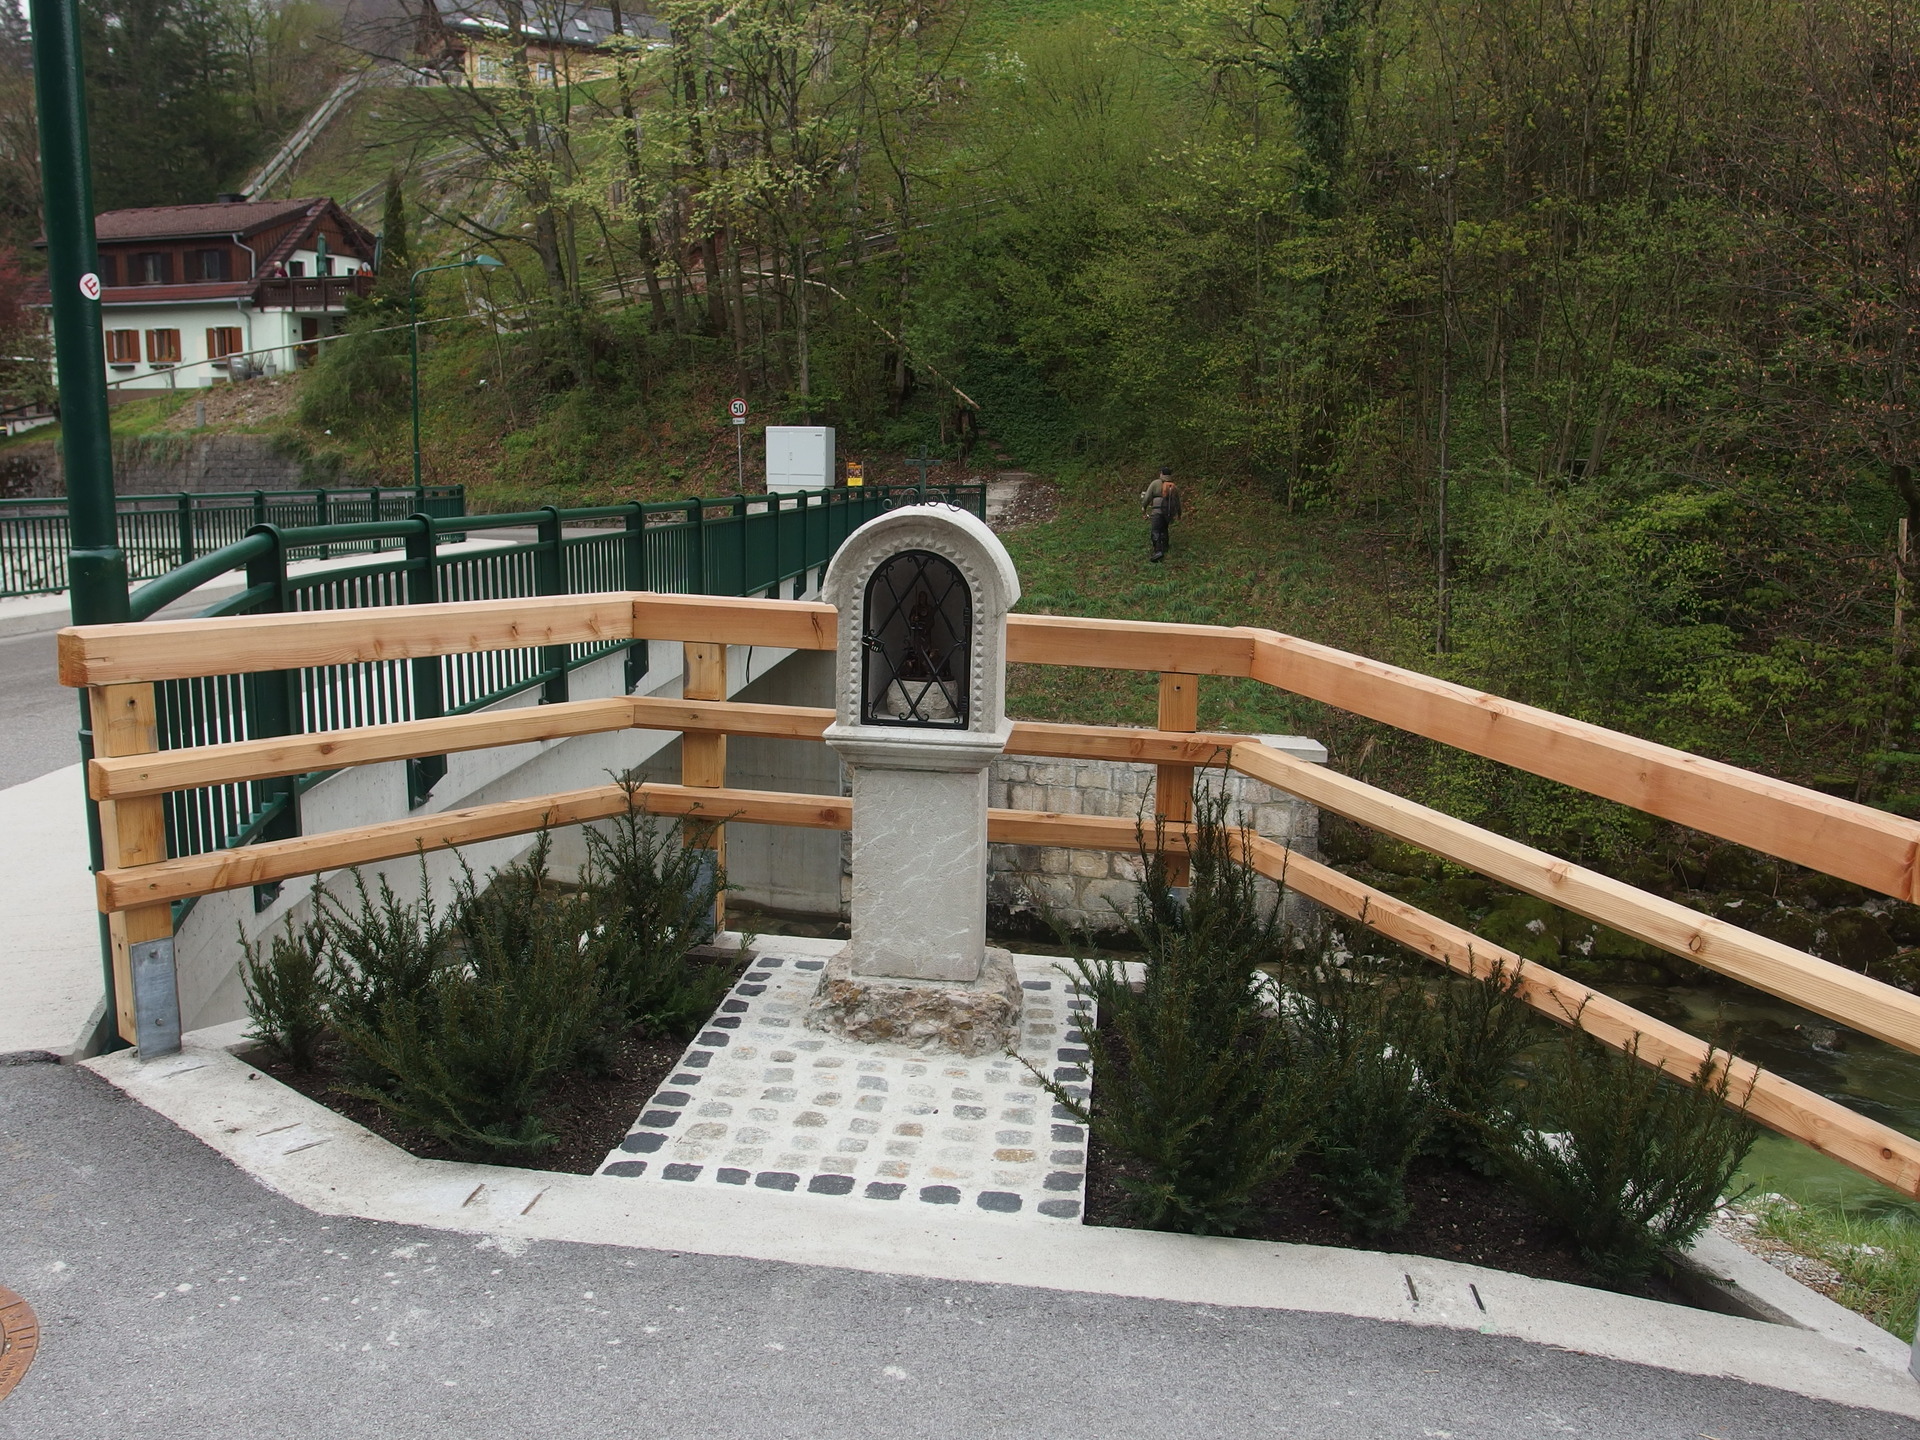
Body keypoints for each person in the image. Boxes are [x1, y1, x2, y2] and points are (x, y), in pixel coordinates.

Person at [1140, 466, 1182, 563]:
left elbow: (1147, 497)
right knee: (1164, 529)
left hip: (1157, 512)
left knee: (1156, 530)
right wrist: (1179, 514)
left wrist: (1144, 508)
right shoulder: (1173, 486)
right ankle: (1165, 547)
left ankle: (1158, 551)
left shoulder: (1155, 483)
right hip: (1168, 513)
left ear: (1161, 474)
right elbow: (1178, 502)